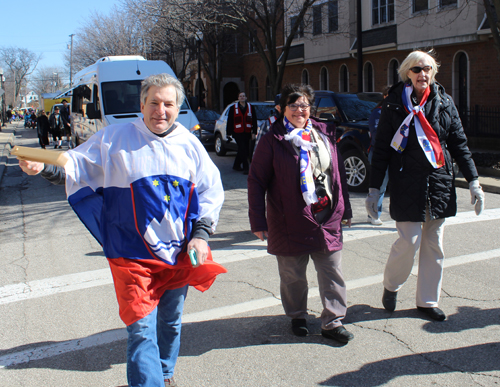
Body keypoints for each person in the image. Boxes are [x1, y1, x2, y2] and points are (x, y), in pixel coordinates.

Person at [19, 73, 227, 387]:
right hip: (130, 252)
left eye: (168, 104)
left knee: (170, 323)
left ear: (178, 108)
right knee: (142, 329)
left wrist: (200, 235)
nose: (161, 110)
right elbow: (74, 164)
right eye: (153, 102)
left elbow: (211, 192)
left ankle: (165, 374)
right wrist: (43, 166)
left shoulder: (189, 144)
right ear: (141, 105)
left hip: (179, 252)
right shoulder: (114, 138)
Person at [366, 49, 485, 322]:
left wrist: (474, 181)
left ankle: (427, 301)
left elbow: (459, 144)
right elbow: (382, 149)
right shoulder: (394, 104)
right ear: (407, 73)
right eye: (417, 69)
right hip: (406, 182)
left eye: (428, 69)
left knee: (434, 243)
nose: (423, 74)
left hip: (440, 182)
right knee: (409, 242)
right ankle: (392, 285)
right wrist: (374, 190)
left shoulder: (444, 102)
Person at [248, 84, 354, 344]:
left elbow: (337, 174)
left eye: (304, 105)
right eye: (293, 105)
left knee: (332, 270)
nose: (300, 110)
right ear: (281, 108)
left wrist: (346, 209)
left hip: (326, 215)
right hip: (288, 219)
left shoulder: (324, 132)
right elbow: (256, 180)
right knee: (293, 275)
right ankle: (297, 316)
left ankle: (332, 321)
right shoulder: (273, 138)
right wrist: (258, 220)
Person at [366, 86, 390, 225]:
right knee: (380, 186)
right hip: (379, 153)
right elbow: (376, 134)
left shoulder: (398, 112)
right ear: (385, 96)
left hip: (394, 153)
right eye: (389, 95)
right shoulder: (378, 112)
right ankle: (373, 215)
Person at [226, 92, 257, 174]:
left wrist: (254, 132)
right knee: (243, 149)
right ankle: (246, 167)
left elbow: (254, 120)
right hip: (237, 132)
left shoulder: (250, 107)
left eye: (243, 96)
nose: (242, 97)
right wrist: (228, 133)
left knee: (243, 149)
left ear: (246, 97)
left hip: (247, 132)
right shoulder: (233, 108)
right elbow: (230, 121)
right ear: (238, 98)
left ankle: (236, 165)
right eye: (240, 96)